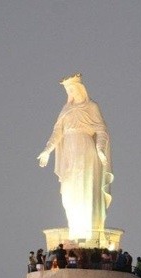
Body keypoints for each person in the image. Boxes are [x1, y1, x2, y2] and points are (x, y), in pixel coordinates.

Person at [37, 73, 114, 240]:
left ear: (81, 89)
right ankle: (75, 230)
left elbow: (101, 130)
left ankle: (88, 233)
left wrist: (100, 149)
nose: (71, 92)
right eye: (68, 90)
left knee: (85, 187)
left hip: (86, 150)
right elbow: (57, 132)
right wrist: (47, 150)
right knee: (69, 191)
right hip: (69, 153)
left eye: (73, 88)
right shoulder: (66, 110)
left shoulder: (92, 107)